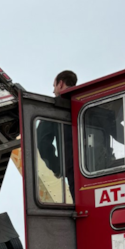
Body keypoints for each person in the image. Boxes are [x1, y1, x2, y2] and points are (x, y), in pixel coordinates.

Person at [35, 71, 78, 201]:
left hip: (73, 169)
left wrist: (57, 167)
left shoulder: (54, 107)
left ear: (60, 84)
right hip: (100, 166)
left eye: (54, 86)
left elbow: (42, 142)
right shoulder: (85, 101)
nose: (53, 91)